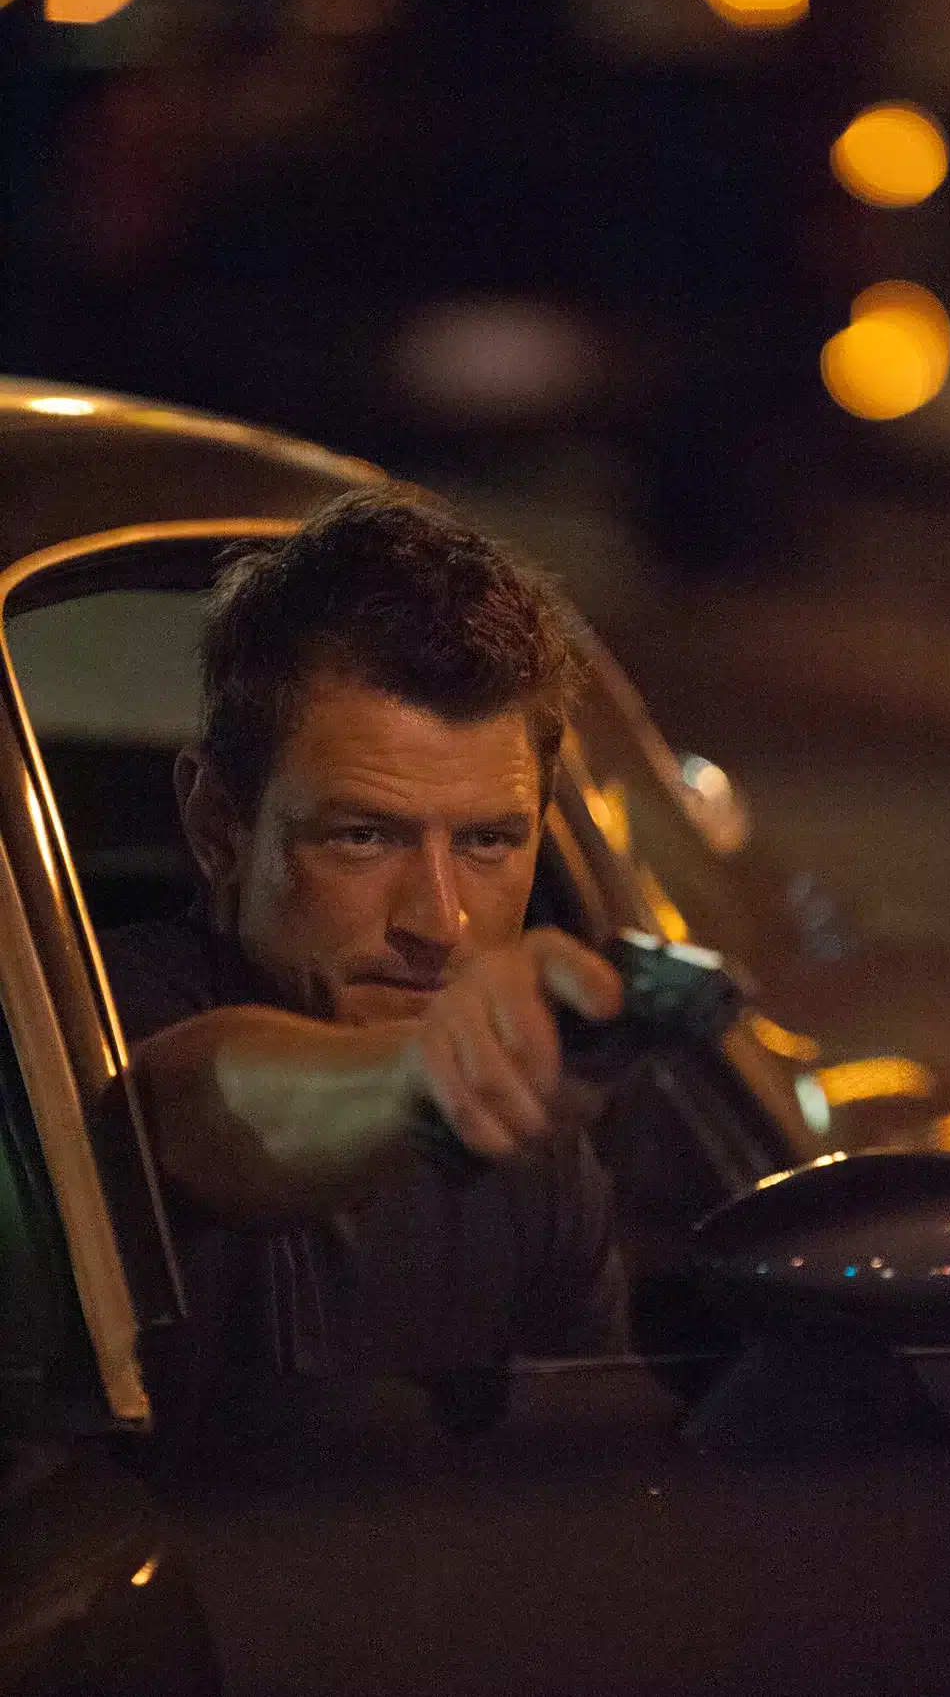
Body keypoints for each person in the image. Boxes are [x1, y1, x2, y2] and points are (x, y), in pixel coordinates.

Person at [100, 483, 629, 1455]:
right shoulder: (93, 1025)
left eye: (488, 841)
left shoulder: (537, 1157)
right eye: (363, 836)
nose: (439, 921)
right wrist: (439, 1075)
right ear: (218, 825)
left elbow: (586, 1494)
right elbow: (190, 1111)